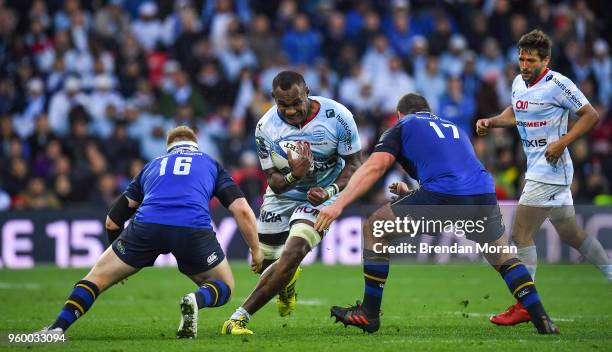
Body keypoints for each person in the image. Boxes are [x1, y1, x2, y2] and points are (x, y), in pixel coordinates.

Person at [315, 93, 559, 335]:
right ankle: (541, 316)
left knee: (375, 227)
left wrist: (339, 203)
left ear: (400, 114)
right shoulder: (453, 127)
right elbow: (451, 171)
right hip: (483, 193)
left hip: (445, 195)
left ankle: (368, 314)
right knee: (501, 255)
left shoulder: (403, 125)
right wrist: (413, 194)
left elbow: (374, 166)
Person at [37, 126, 263, 339]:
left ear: (168, 147)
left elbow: (112, 222)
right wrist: (255, 249)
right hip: (192, 228)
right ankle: (195, 299)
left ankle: (57, 328)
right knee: (223, 285)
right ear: (196, 145)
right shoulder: (210, 163)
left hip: (147, 226)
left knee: (96, 279)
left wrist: (118, 251)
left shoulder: (152, 166)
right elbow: (242, 210)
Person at [475, 29, 611, 326]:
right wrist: (492, 121)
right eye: (521, 59)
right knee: (571, 233)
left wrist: (563, 142)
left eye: (531, 61)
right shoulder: (517, 82)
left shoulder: (558, 84)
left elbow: (590, 115)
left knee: (520, 235)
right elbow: (517, 111)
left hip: (549, 170)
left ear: (545, 60)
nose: (524, 65)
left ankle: (525, 304)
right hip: (541, 169)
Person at [222, 70, 362, 334]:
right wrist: (293, 175)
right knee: (269, 264)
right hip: (283, 194)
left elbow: (356, 165)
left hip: (322, 196)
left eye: (296, 102)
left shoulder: (338, 117)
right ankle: (287, 284)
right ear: (274, 99)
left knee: (293, 253)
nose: (290, 110)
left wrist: (330, 191)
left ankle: (238, 318)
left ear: (307, 92)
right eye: (283, 105)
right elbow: (273, 181)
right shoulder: (265, 127)